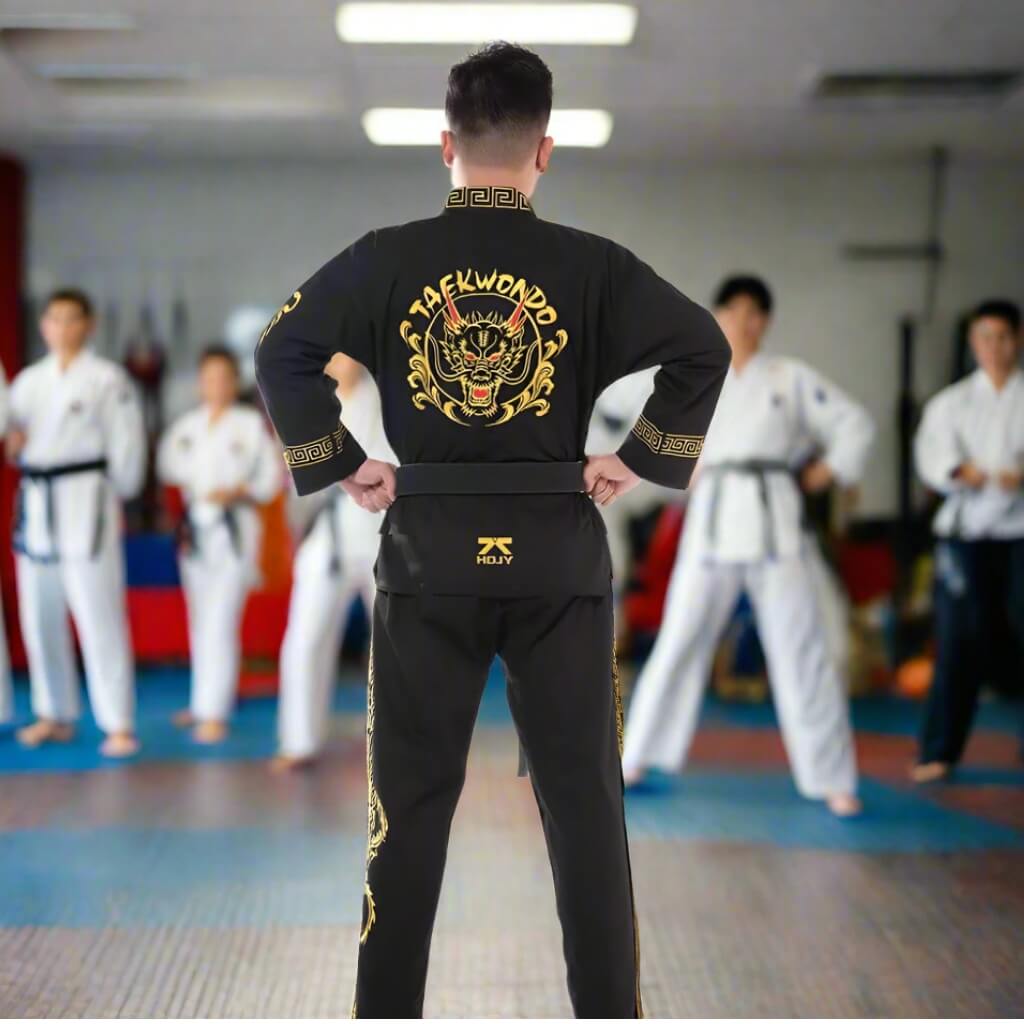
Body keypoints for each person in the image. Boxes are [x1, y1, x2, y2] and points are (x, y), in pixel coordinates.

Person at [255, 42, 729, 1019]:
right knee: (586, 812)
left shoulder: (386, 257)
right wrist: (635, 458)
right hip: (558, 552)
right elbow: (702, 347)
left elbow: (280, 351)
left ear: (445, 144)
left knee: (408, 814)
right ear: (544, 150)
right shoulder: (591, 266)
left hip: (427, 553)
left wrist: (345, 462)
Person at [620, 275, 875, 817]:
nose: (745, 322)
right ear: (717, 316)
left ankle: (831, 777)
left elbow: (854, 423)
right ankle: (638, 756)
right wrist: (670, 468)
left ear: (766, 321)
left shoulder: (791, 378)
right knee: (678, 641)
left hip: (774, 522)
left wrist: (828, 469)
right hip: (711, 519)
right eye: (734, 311)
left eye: (755, 313)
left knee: (801, 650)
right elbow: (634, 420)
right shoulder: (695, 376)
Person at [7, 288, 145, 757]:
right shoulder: (27, 382)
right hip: (38, 500)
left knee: (97, 610)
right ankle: (54, 712)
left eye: (72, 319)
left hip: (88, 499)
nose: (62, 328)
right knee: (39, 612)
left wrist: (120, 494)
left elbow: (127, 446)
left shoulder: (107, 379)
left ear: (88, 325)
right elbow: (14, 439)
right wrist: (15, 445)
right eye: (54, 319)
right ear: (43, 326)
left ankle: (118, 720)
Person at [911, 299, 1024, 783]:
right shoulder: (951, 403)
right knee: (958, 640)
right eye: (985, 337)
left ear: (1017, 340)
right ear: (973, 343)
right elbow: (932, 459)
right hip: (967, 533)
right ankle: (939, 750)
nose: (994, 348)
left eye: (1002, 337)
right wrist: (963, 471)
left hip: (1020, 532)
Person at [273, 355, 395, 771]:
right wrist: (296, 533)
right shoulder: (306, 404)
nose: (342, 360)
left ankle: (399, 744)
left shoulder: (386, 399)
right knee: (304, 639)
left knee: (394, 646)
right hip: (325, 536)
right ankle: (299, 740)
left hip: (381, 531)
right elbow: (292, 479)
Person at [157, 345, 281, 744]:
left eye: (224, 377)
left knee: (222, 617)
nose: (216, 385)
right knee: (199, 616)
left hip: (236, 526)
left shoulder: (249, 425)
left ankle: (216, 710)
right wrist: (199, 484)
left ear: (235, 382)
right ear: (200, 383)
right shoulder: (188, 426)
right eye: (209, 378)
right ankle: (200, 703)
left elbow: (271, 480)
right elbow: (167, 465)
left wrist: (241, 488)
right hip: (197, 526)